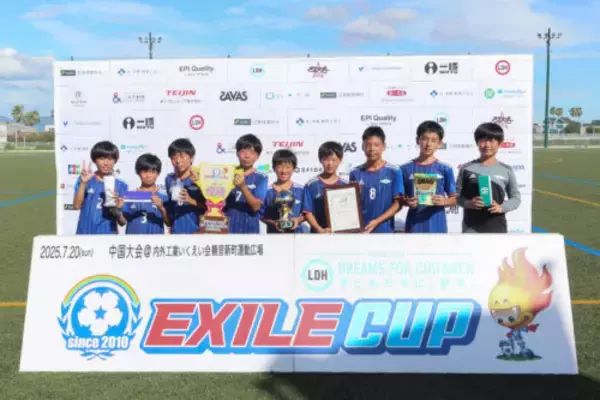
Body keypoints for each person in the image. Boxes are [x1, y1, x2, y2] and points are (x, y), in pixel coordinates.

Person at [456, 122, 521, 233]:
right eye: (482, 140)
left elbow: (516, 198)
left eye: (491, 141)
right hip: (471, 228)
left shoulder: (506, 170)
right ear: (477, 142)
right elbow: (457, 196)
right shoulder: (466, 168)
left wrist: (501, 208)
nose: (487, 145)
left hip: (497, 227)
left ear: (499, 143)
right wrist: (468, 203)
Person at [400, 121, 457, 233]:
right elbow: (399, 200)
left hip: (437, 225)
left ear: (439, 144)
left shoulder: (445, 169)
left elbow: (456, 198)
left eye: (433, 140)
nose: (428, 144)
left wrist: (445, 201)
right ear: (417, 140)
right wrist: (407, 202)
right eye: (424, 139)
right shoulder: (405, 169)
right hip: (414, 226)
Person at [350, 126, 404, 233]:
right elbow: (351, 204)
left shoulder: (394, 171)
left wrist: (377, 221)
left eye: (376, 145)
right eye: (368, 145)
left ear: (383, 147)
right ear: (363, 147)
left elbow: (398, 204)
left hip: (385, 230)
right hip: (361, 231)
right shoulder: (355, 173)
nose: (371, 149)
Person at [73, 141, 128, 234]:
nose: (106, 163)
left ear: (115, 160)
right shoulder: (85, 179)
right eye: (102, 158)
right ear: (95, 160)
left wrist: (117, 209)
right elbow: (76, 206)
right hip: (85, 233)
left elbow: (122, 222)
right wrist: (83, 183)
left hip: (108, 235)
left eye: (110, 159)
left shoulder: (121, 185)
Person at [115, 154, 170, 234]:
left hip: (156, 241)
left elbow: (168, 223)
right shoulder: (130, 196)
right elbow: (122, 223)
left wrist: (161, 208)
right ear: (138, 172)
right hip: (133, 240)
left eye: (153, 172)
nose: (148, 175)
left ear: (158, 173)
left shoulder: (164, 197)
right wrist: (118, 210)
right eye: (144, 171)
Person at [224, 134, 268, 233]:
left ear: (257, 156)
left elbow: (256, 207)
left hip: (249, 227)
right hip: (226, 226)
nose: (247, 156)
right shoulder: (227, 173)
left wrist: (243, 187)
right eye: (243, 151)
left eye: (252, 152)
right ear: (237, 153)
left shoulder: (261, 177)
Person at [303, 141, 348, 233]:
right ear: (320, 160)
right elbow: (307, 212)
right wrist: (320, 230)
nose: (330, 163)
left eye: (334, 160)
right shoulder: (311, 185)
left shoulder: (346, 185)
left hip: (341, 235)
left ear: (340, 160)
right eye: (326, 159)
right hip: (317, 235)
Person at [164, 138, 206, 234]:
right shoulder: (169, 179)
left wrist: (190, 200)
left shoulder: (202, 178)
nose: (178, 161)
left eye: (182, 156)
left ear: (192, 158)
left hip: (197, 233)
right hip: (176, 233)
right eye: (173, 157)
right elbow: (171, 208)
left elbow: (212, 207)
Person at [261, 149, 306, 233]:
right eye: (279, 166)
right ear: (274, 168)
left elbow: (308, 214)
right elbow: (260, 215)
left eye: (288, 167)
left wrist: (297, 220)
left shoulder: (302, 190)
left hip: (297, 236)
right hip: (274, 236)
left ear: (294, 168)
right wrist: (274, 223)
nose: (283, 171)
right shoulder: (266, 191)